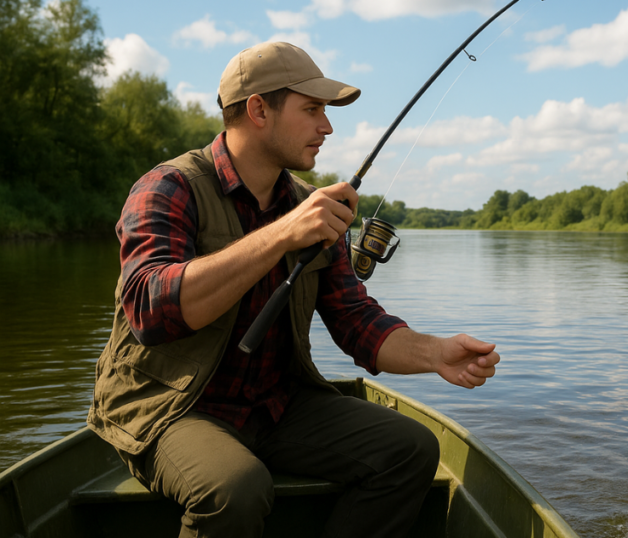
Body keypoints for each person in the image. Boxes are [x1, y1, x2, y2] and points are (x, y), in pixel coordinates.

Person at [87, 41, 500, 538]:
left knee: (410, 449)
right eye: (312, 110)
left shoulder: (310, 207)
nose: (327, 127)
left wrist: (435, 353)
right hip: (171, 406)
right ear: (258, 109)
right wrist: (282, 234)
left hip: (276, 405)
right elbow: (151, 310)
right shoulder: (167, 187)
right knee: (235, 488)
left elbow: (356, 322)